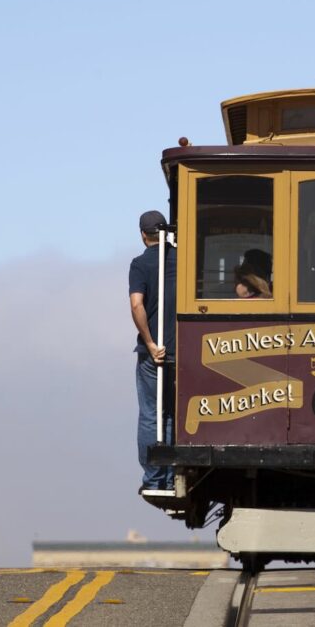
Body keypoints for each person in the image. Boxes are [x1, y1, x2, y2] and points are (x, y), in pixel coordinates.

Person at [129, 210, 176, 494]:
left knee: (150, 414)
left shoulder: (140, 264)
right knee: (170, 414)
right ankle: (171, 476)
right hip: (182, 349)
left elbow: (137, 305)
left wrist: (149, 343)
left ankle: (155, 479)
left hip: (154, 352)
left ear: (143, 235)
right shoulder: (183, 260)